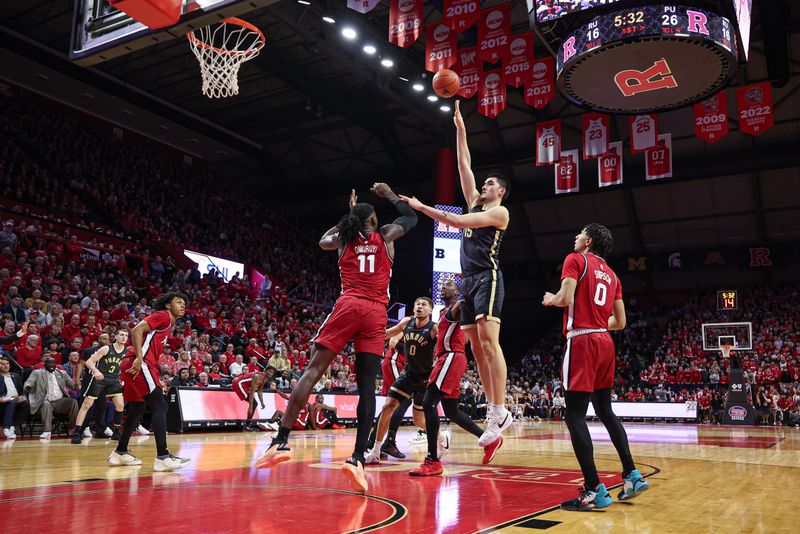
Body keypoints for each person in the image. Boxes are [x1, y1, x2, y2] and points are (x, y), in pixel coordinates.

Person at [256, 183, 417, 495]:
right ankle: (357, 458)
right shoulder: (386, 236)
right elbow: (411, 217)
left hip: (349, 304)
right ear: (375, 220)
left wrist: (347, 217)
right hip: (375, 312)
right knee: (368, 386)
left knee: (313, 370)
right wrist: (391, 196)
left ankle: (282, 441)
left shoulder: (343, 239)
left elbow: (322, 242)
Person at [400, 100, 512, 447]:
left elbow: (456, 221)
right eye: (486, 182)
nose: (485, 185)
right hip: (468, 283)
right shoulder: (477, 201)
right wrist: (461, 129)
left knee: (490, 343)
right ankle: (495, 413)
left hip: (488, 277)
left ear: (500, 192)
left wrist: (421, 207)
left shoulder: (499, 213)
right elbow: (465, 165)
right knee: (477, 348)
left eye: (490, 183)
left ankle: (499, 409)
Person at [542, 224, 649, 511]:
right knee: (605, 410)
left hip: (582, 341)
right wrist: (599, 325)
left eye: (578, 234)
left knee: (575, 416)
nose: (574, 237)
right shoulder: (613, 275)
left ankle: (593, 489)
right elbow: (621, 322)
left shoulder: (575, 259)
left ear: (587, 241)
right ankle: (632, 475)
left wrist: (551, 299)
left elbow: (565, 299)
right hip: (605, 342)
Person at [411, 279, 504, 476]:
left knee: (428, 403)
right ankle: (490, 439)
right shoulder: (443, 312)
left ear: (457, 291)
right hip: (448, 359)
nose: (444, 286)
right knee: (452, 411)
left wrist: (475, 283)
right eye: (443, 284)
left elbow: (467, 303)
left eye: (450, 284)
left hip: (451, 356)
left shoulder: (457, 307)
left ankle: (432, 460)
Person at [109, 293, 191, 472]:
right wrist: (139, 358)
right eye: (179, 302)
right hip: (140, 363)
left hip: (138, 364)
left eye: (184, 303)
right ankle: (163, 457)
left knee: (137, 408)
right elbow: (137, 329)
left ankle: (120, 452)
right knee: (160, 405)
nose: (183, 305)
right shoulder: (163, 316)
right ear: (168, 306)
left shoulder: (169, 323)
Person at [365, 297, 438, 464]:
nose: (420, 306)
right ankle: (376, 450)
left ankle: (440, 436)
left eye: (424, 304)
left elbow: (444, 348)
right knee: (388, 405)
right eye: (417, 304)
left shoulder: (434, 329)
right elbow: (387, 335)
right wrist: (368, 334)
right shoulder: (406, 322)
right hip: (407, 373)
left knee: (418, 420)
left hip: (425, 379)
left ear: (430, 311)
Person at [71, 329, 129, 443]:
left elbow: (122, 367)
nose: (124, 337)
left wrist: (123, 378)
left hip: (113, 380)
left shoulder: (126, 352)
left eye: (126, 335)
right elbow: (88, 362)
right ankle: (77, 432)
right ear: (116, 337)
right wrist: (96, 371)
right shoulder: (106, 348)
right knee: (87, 405)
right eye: (121, 335)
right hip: (99, 379)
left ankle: (116, 431)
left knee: (120, 405)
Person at [366, 331, 412, 459]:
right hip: (394, 362)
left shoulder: (427, 330)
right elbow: (392, 342)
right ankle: (389, 441)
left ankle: (371, 442)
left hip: (402, 366)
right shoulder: (408, 325)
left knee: (391, 405)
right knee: (404, 400)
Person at [24, 356, 79, 439]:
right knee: (46, 404)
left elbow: (73, 385)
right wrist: (28, 387)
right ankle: (47, 431)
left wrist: (79, 384)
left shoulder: (62, 373)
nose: (52, 364)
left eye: (53, 363)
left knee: (73, 402)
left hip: (59, 401)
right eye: (49, 363)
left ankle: (72, 428)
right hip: (43, 401)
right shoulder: (37, 373)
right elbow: (29, 382)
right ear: (44, 364)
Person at [0, 356, 27, 439]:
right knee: (11, 402)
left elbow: (21, 390)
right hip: (4, 401)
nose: (6, 366)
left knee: (25, 403)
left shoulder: (15, 376)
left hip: (16, 399)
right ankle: (6, 427)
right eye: (3, 364)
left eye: (7, 364)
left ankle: (13, 425)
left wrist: (22, 396)